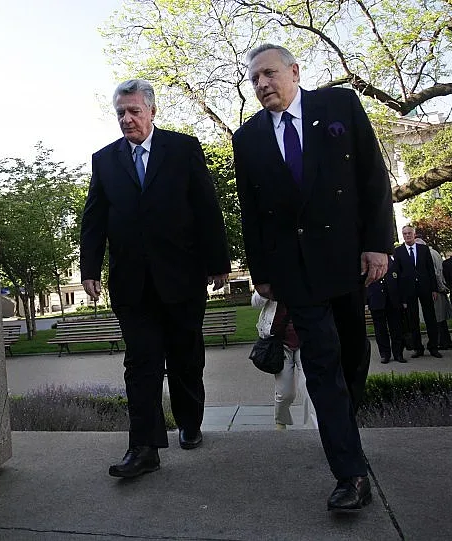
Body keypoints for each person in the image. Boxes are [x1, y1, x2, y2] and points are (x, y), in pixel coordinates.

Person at [233, 44, 394, 511]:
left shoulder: (339, 105)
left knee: (353, 359)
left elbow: (372, 177)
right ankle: (350, 475)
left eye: (269, 74)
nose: (262, 84)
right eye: (254, 80)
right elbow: (252, 213)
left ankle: (348, 436)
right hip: (294, 271)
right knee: (322, 369)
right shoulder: (248, 139)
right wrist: (261, 272)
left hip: (346, 260)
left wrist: (378, 243)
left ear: (294, 72)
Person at [80, 79, 230, 478]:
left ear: (151, 111)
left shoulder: (183, 149)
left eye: (133, 111)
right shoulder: (104, 160)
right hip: (132, 283)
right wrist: (90, 269)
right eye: (120, 114)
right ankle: (143, 447)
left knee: (185, 358)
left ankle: (189, 421)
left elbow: (206, 208)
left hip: (182, 276)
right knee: (141, 362)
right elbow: (93, 219)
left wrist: (218, 261)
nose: (127, 119)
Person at [252, 291, 317, 429]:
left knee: (310, 388)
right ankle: (281, 422)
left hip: (306, 341)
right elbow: (255, 302)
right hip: (281, 345)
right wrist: (268, 289)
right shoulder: (273, 276)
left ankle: (313, 431)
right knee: (285, 393)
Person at [393, 226, 442, 358]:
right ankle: (418, 348)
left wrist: (434, 289)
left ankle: (433, 347)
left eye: (409, 233)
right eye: (404, 234)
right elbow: (397, 273)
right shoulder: (398, 252)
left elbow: (431, 270)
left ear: (414, 234)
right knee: (413, 319)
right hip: (408, 290)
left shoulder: (423, 249)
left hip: (425, 288)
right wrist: (401, 297)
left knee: (430, 317)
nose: (407, 235)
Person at [415, 237, 452, 349]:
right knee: (440, 317)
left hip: (435, 289)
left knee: (437, 317)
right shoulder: (434, 252)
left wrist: (438, 288)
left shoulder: (428, 254)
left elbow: (436, 273)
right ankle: (445, 341)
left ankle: (442, 341)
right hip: (438, 288)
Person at [366, 257, 406, 363]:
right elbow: (364, 282)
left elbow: (400, 280)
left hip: (393, 300)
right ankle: (384, 354)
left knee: (396, 328)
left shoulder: (393, 260)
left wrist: (403, 299)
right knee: (380, 329)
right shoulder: (370, 259)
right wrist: (366, 301)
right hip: (376, 299)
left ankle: (398, 353)